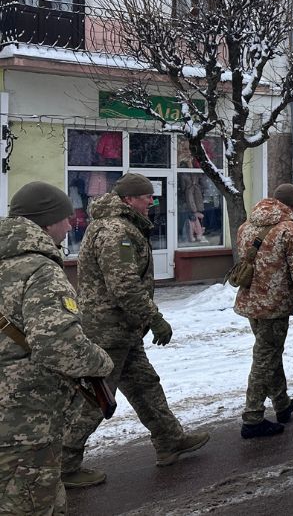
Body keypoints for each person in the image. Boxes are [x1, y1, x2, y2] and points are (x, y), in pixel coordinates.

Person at [62, 173, 209, 488]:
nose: (152, 202)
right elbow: (124, 285)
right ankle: (64, 463)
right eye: (147, 197)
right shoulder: (118, 233)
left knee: (145, 385)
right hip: (109, 331)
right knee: (96, 399)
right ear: (129, 199)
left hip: (123, 329)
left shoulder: (118, 227)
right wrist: (154, 317)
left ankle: (170, 440)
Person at [0, 182, 114, 515]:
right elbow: (57, 344)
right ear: (46, 221)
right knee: (32, 503)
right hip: (24, 418)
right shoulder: (39, 268)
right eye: (65, 218)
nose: (70, 224)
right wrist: (101, 362)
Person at [234, 184, 293, 439]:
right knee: (264, 358)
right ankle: (252, 416)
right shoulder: (291, 231)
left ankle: (281, 403)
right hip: (274, 305)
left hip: (251, 303)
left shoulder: (246, 226)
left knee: (269, 353)